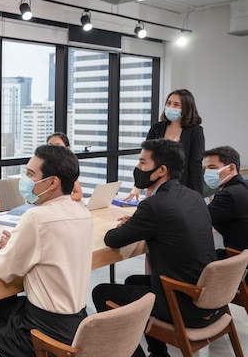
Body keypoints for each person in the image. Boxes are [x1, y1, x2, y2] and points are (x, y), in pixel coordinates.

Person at [0, 145, 93, 357]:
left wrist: (13, 247)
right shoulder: (82, 212)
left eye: (31, 174)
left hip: (40, 332)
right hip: (75, 321)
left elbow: (4, 270)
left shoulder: (36, 218)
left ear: (52, 182)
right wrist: (21, 242)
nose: (25, 179)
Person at [92, 139, 223, 357]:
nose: (137, 168)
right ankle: (158, 352)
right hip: (207, 296)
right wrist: (140, 223)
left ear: (161, 170)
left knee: (102, 292)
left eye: (143, 163)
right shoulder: (194, 196)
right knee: (133, 281)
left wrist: (137, 223)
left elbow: (112, 239)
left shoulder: (154, 205)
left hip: (182, 304)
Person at [125, 89, 204, 201]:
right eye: (168, 103)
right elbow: (146, 159)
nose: (171, 107)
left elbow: (195, 165)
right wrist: (138, 186)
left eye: (176, 105)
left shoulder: (195, 131)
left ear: (186, 108)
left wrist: (197, 197)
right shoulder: (157, 128)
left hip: (182, 187)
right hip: (156, 187)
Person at [202, 146, 248, 259]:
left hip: (239, 259)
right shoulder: (244, 185)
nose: (207, 173)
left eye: (212, 168)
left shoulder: (228, 195)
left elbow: (200, 220)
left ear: (232, 168)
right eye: (205, 169)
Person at [46, 132, 83, 202]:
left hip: (58, 205)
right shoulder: (40, 165)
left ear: (67, 149)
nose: (54, 150)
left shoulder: (67, 168)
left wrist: (58, 201)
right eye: (50, 146)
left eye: (58, 146)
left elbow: (78, 194)